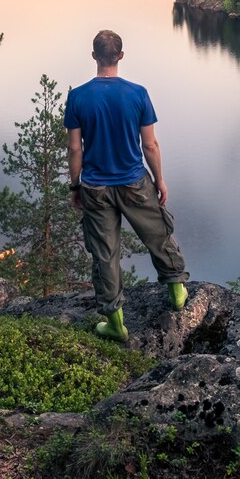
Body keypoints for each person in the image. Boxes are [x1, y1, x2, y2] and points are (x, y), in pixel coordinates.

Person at [64, 29, 189, 341]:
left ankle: (115, 322)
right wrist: (159, 180)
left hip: (94, 186)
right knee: (158, 233)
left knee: (104, 253)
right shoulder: (138, 94)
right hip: (134, 181)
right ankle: (176, 291)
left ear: (94, 56)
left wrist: (75, 185)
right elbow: (150, 146)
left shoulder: (78, 97)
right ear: (120, 56)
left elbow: (75, 148)